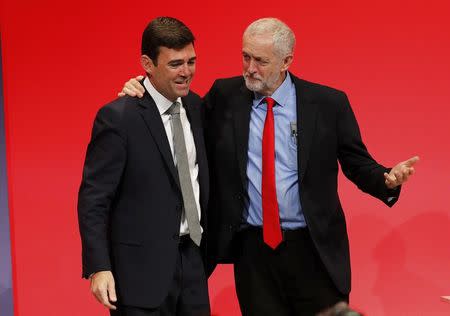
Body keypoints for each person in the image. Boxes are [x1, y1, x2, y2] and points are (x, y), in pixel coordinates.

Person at [120, 17, 418, 316]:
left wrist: (386, 178)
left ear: (286, 60)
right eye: (245, 56)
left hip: (313, 250)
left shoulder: (328, 104)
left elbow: (357, 163)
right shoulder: (225, 96)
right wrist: (143, 88)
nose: (250, 68)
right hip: (254, 252)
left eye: (261, 61)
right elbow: (179, 108)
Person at [78, 17, 210, 316]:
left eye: (191, 61)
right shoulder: (119, 117)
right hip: (138, 275)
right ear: (147, 64)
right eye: (175, 64)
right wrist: (99, 267)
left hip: (192, 264)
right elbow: (94, 199)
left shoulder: (198, 108)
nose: (186, 72)